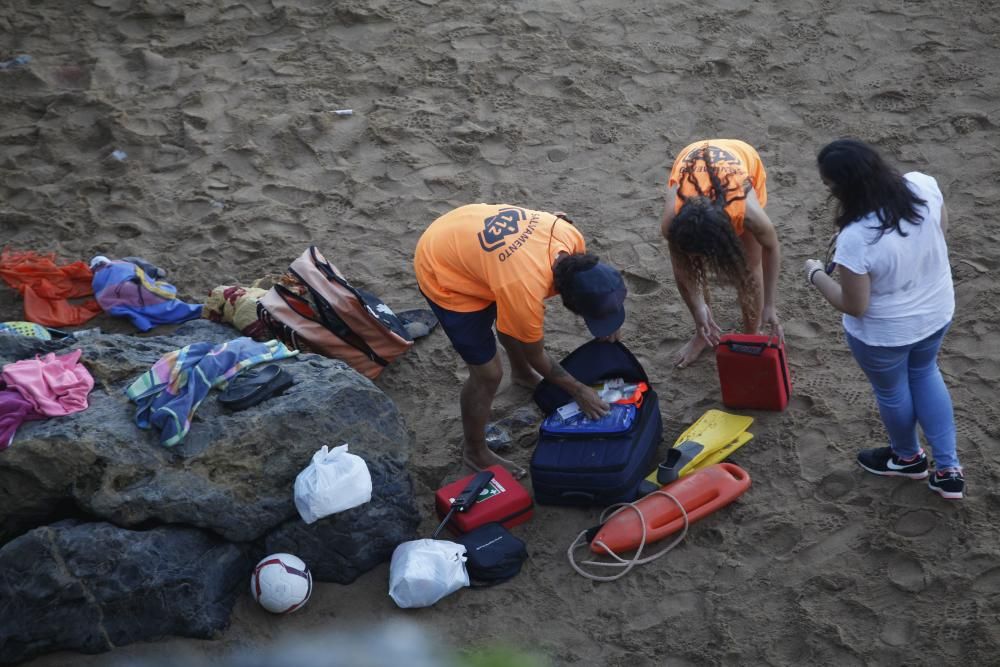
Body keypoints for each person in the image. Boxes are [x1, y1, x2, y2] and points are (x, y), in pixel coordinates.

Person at [414, 204, 628, 478]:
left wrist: (608, 315)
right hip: (442, 265)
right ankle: (475, 451)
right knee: (488, 374)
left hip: (467, 230)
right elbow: (536, 353)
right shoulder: (525, 288)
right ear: (567, 300)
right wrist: (578, 390)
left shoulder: (570, 236)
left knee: (515, 321)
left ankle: (523, 376)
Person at [804, 138, 962, 499]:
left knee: (892, 390)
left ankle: (908, 458)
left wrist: (815, 274)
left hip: (885, 334)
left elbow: (854, 304)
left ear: (844, 187)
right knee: (925, 373)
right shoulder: (922, 185)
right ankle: (949, 469)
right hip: (936, 312)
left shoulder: (856, 237)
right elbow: (939, 235)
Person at [660, 139, 783, 368]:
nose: (698, 261)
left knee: (749, 267)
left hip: (742, 156)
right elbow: (681, 267)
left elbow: (771, 248)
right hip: (693, 155)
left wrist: (769, 306)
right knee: (688, 268)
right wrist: (698, 309)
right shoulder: (672, 221)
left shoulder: (747, 213)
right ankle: (702, 334)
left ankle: (751, 334)